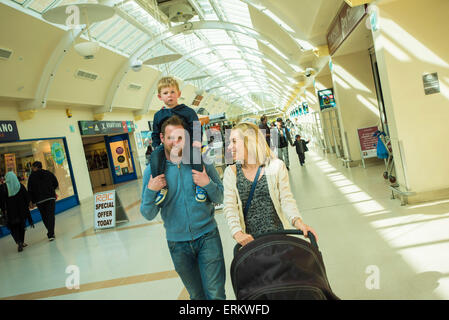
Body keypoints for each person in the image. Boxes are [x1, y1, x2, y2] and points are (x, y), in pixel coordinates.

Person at [140, 115, 226, 300]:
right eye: (170, 137)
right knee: (196, 296)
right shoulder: (153, 170)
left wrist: (207, 183)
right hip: (177, 244)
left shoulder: (201, 161)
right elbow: (147, 213)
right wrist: (150, 190)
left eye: (180, 137)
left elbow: (220, 196)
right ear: (162, 139)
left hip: (207, 237)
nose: (176, 142)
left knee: (216, 294)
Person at [223, 122, 317, 247]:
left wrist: (298, 222)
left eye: (234, 141)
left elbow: (286, 200)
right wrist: (237, 233)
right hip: (251, 244)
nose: (229, 147)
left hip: (279, 239)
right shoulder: (231, 173)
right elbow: (230, 207)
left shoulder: (276, 166)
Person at [150, 76, 207, 206]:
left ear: (179, 94)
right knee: (154, 156)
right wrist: (156, 145)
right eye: (165, 93)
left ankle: (200, 185)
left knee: (195, 155)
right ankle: (162, 187)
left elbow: (196, 127)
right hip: (167, 147)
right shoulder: (158, 115)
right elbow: (155, 133)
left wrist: (196, 141)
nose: (169, 95)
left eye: (172, 92)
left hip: (186, 144)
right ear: (160, 97)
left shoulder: (188, 111)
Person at [0, 172, 34, 252]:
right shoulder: (20, 185)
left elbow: (1, 201)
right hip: (21, 211)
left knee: (13, 228)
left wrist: (3, 210)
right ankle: (21, 242)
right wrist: (29, 204)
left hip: (10, 212)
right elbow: (26, 196)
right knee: (21, 226)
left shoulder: (3, 188)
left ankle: (18, 241)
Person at [27, 161, 58, 241]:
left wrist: (31, 201)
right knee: (51, 215)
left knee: (44, 216)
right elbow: (56, 183)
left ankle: (50, 232)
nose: (32, 169)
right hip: (50, 198)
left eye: (33, 167)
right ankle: (51, 233)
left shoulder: (31, 177)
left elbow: (30, 190)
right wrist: (51, 190)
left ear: (35, 167)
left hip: (39, 201)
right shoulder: (48, 173)